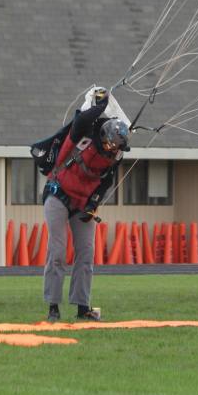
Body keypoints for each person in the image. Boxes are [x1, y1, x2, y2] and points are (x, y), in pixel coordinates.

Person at [42, 87, 129, 322]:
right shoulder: (82, 134)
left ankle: (82, 308)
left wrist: (93, 204)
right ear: (103, 137)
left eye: (116, 148)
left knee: (87, 253)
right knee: (58, 251)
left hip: (82, 204)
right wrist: (100, 106)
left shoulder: (113, 157)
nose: (113, 151)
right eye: (111, 145)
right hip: (57, 195)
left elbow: (105, 184)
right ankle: (53, 307)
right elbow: (81, 118)